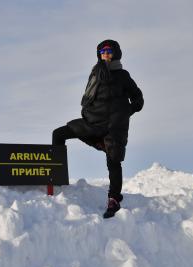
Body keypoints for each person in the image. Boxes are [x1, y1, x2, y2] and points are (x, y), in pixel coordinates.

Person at [52, 39, 144, 218]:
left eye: (109, 51)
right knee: (59, 134)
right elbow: (88, 98)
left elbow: (138, 99)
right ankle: (56, 181)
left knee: (113, 161)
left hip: (114, 127)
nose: (106, 54)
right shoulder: (95, 73)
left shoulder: (123, 76)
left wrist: (124, 113)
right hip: (93, 122)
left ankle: (114, 199)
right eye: (102, 51)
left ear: (115, 53)